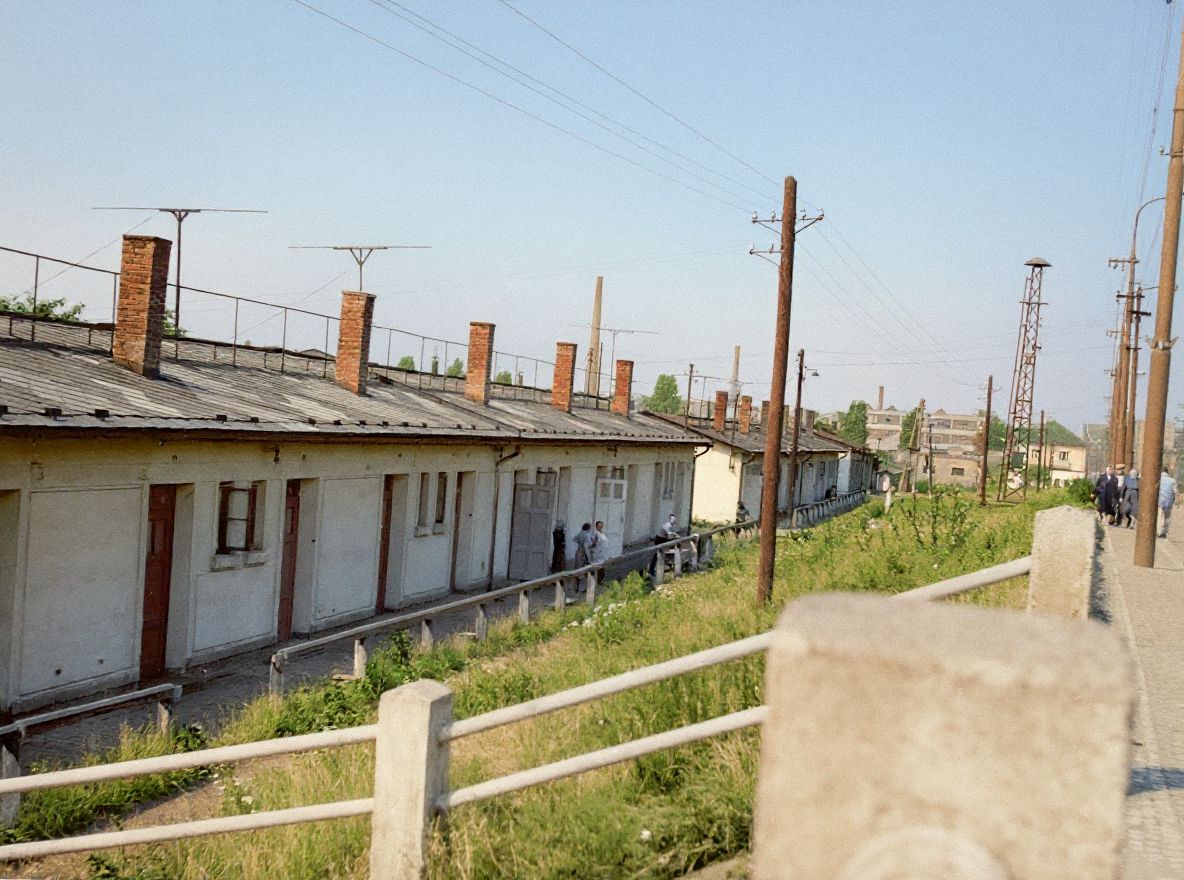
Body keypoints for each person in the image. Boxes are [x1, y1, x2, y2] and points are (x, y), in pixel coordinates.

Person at [1159, 470, 1177, 538]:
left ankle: (1159, 531)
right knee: (1167, 517)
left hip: (1159, 501)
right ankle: (1164, 532)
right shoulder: (1172, 481)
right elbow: (1175, 491)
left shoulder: (1159, 479)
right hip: (1169, 501)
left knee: (1159, 516)